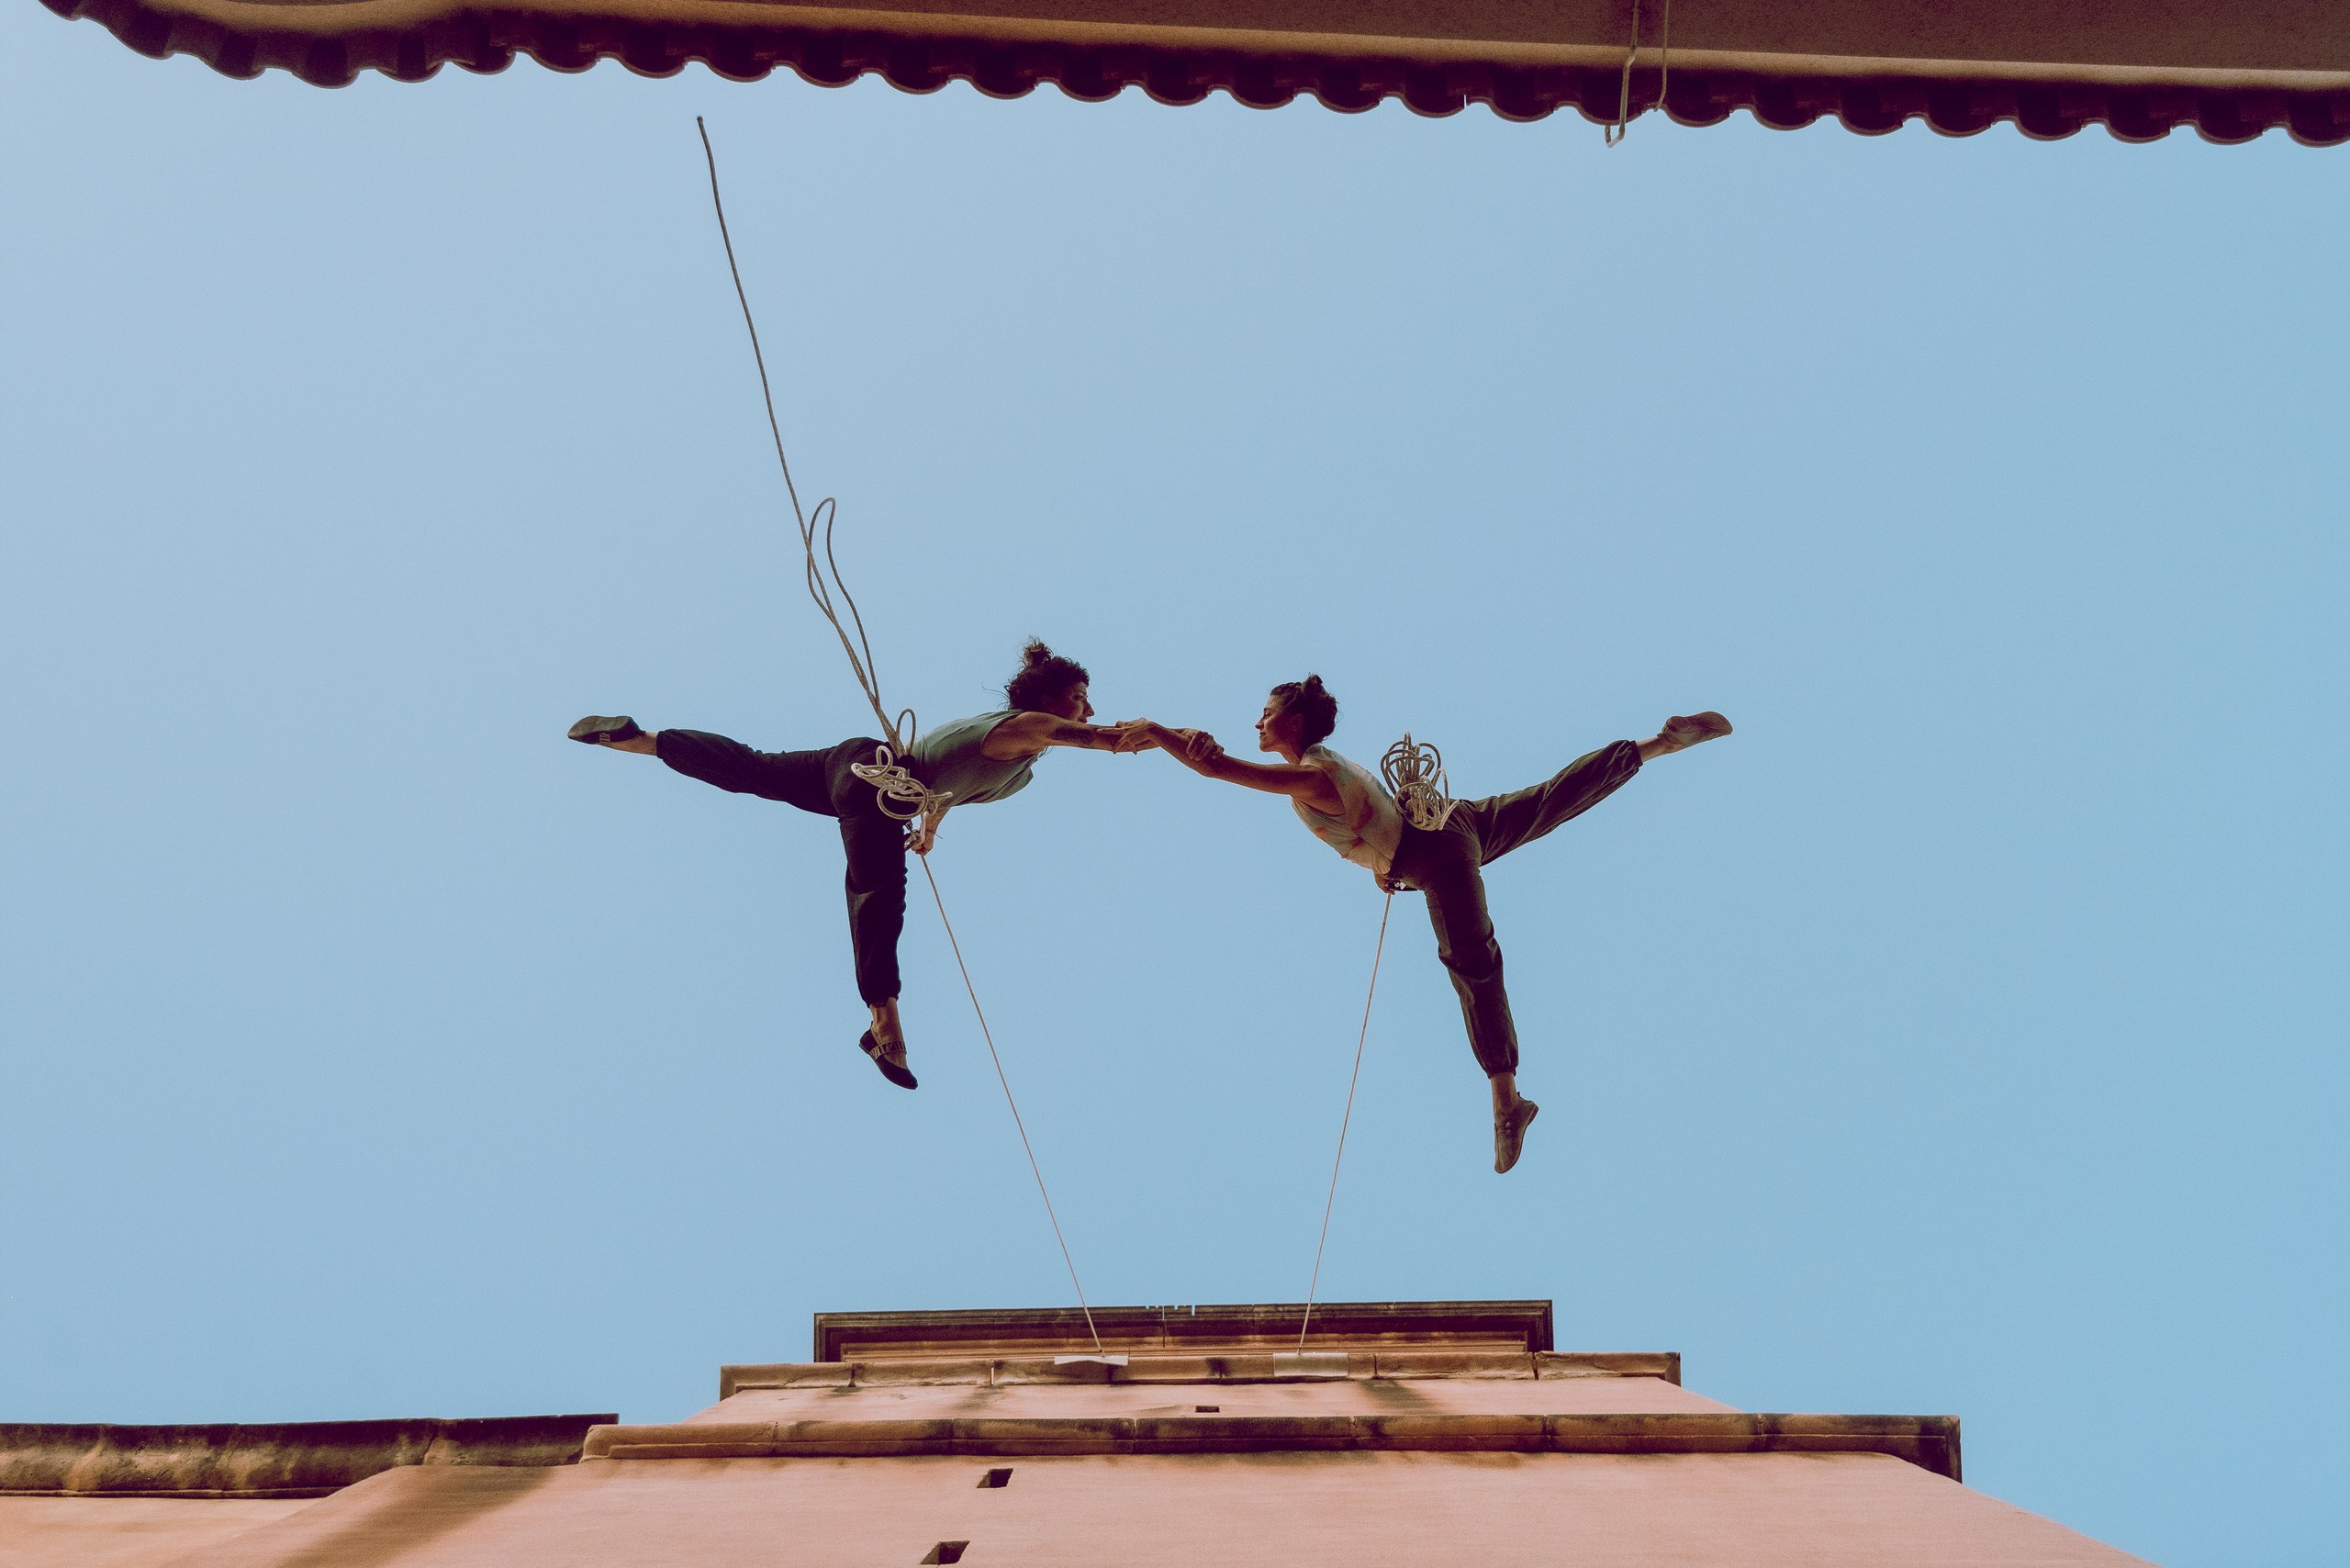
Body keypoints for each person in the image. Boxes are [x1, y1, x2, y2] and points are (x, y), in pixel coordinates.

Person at [1134, 679, 1729, 1173]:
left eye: (1265, 714)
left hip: (1435, 850)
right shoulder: (1334, 766)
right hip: (1457, 821)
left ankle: (1505, 1099)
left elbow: (1215, 769)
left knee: (1474, 962)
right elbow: (1376, 817)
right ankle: (1651, 745)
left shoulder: (1313, 775)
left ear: (1291, 720)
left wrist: (1156, 730)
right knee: (1549, 801)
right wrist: (1387, 867)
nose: (1256, 722)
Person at [569, 641, 1150, 1091]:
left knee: (754, 771)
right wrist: (1167, 736)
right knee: (876, 893)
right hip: (877, 777)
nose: (1089, 708)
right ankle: (884, 1024)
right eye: (1080, 696)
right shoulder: (1030, 727)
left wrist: (927, 830)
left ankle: (642, 740)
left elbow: (947, 789)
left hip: (857, 769)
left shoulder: (1019, 767)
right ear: (1051, 701)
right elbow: (1102, 738)